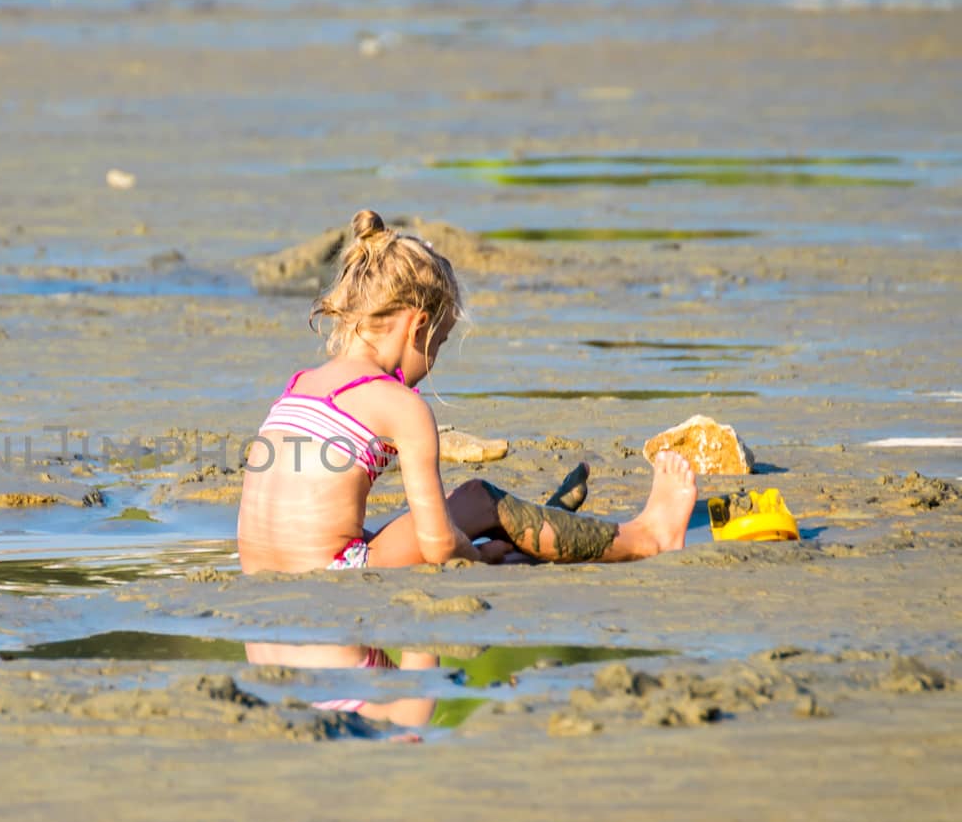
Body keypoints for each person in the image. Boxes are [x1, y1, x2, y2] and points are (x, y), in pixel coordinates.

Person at [236, 209, 697, 573]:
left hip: (264, 571)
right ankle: (647, 537)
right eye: (438, 343)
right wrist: (477, 561)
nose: (432, 361)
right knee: (477, 499)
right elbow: (437, 544)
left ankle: (528, 549)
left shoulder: (299, 386)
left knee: (443, 521)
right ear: (417, 326)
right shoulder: (400, 406)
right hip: (336, 572)